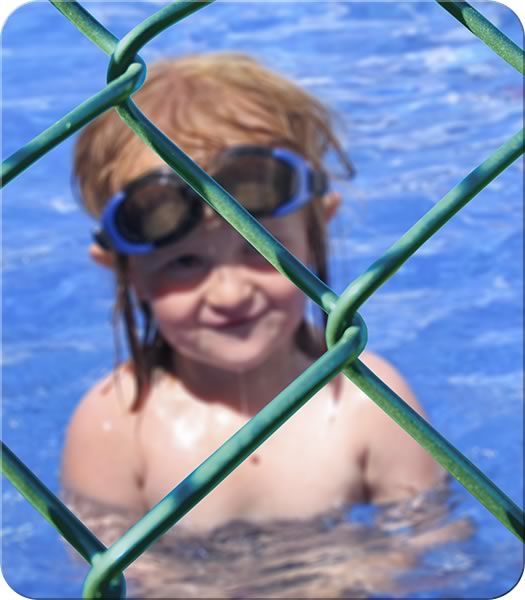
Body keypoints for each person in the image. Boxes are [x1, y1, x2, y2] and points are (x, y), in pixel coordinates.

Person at [61, 52, 444, 534]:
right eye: (184, 262)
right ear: (123, 269)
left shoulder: (369, 404)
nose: (229, 293)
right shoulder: (114, 424)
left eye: (261, 252)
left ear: (316, 228)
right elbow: (109, 570)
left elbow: (433, 550)